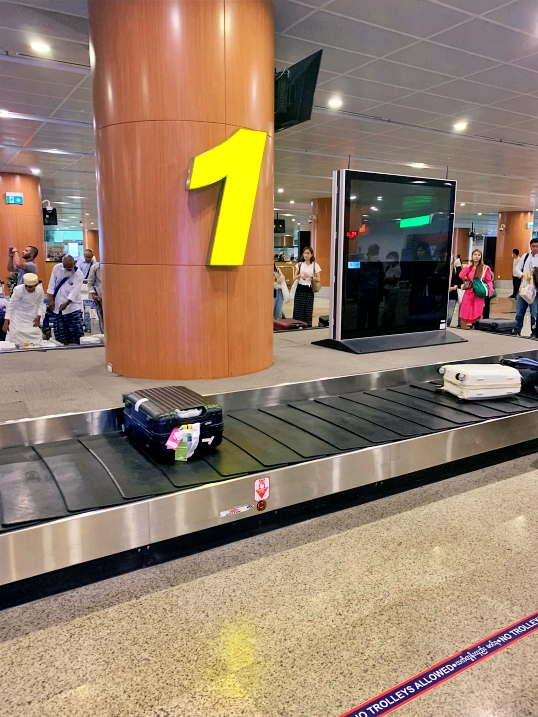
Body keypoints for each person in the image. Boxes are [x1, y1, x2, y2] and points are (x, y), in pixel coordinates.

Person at [47, 254, 84, 345]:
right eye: (66, 267)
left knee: (76, 333)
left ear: (74, 263)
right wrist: (51, 300)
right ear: (62, 264)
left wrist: (66, 303)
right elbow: (51, 285)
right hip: (58, 307)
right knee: (60, 333)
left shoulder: (79, 274)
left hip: (73, 307)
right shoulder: (57, 268)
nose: (68, 269)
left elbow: (74, 292)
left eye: (70, 267)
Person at [2, 273, 45, 345]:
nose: (28, 289)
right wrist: (6, 322)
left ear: (36, 285)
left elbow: (40, 303)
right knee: (16, 333)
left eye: (30, 287)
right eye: (26, 286)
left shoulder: (40, 290)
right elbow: (11, 305)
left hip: (31, 316)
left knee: (36, 333)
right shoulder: (19, 290)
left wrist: (39, 316)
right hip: (18, 317)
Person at [458, 249, 493, 329]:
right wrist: (468, 266)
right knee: (465, 310)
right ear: (472, 256)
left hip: (478, 292)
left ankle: (475, 329)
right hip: (468, 292)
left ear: (481, 257)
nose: (476, 256)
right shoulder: (469, 267)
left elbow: (489, 280)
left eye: (478, 255)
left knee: (477, 311)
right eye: (475, 254)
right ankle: (463, 328)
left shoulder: (485, 268)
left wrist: (490, 289)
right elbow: (461, 275)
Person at [514, 240, 538, 338]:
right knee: (519, 313)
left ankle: (534, 333)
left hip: (535, 291)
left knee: (534, 313)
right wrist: (522, 275)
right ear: (530, 246)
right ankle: (517, 331)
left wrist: (536, 272)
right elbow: (517, 269)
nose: (535, 248)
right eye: (533, 246)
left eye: (537, 246)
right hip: (523, 288)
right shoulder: (525, 256)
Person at [292, 246, 320, 327]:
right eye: (304, 253)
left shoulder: (315, 265)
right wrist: (300, 275)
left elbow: (318, 279)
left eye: (308, 253)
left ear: (311, 254)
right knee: (298, 310)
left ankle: (307, 327)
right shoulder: (299, 264)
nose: (306, 255)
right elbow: (294, 278)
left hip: (309, 290)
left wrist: (310, 276)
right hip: (300, 289)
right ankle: (297, 326)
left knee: (308, 311)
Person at [380, 251, 400, 327]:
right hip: (387, 291)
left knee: (387, 312)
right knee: (391, 311)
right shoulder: (388, 267)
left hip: (393, 291)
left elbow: (394, 280)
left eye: (391, 258)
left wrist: (386, 280)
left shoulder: (398, 268)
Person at [87, 261, 104, 333]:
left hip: (111, 298)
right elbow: (90, 283)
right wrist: (94, 295)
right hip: (100, 297)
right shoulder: (95, 267)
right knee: (102, 316)